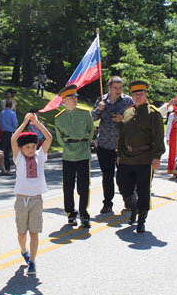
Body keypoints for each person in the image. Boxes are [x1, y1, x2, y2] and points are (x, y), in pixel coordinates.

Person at [116, 80, 164, 233]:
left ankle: (141, 219)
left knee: (144, 190)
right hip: (127, 157)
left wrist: (156, 157)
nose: (137, 96)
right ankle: (133, 207)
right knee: (123, 186)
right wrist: (119, 154)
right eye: (135, 94)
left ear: (145, 94)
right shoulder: (128, 111)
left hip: (145, 158)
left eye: (140, 93)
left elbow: (158, 137)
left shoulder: (153, 113)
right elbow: (122, 135)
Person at [10, 113, 52, 275]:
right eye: (27, 147)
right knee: (22, 232)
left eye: (33, 146)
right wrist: (25, 121)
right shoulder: (18, 158)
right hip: (21, 199)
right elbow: (13, 139)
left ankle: (33, 262)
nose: (31, 149)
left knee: (34, 231)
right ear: (21, 148)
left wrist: (36, 122)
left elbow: (48, 138)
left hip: (36, 200)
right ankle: (23, 250)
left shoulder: (40, 156)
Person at [91, 76, 134, 213]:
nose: (118, 90)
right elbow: (92, 118)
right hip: (104, 145)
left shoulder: (128, 101)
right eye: (115, 88)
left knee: (123, 176)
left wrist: (123, 119)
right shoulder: (102, 100)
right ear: (109, 87)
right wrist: (99, 109)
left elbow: (136, 119)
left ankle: (128, 200)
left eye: (120, 88)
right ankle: (107, 203)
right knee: (107, 176)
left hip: (122, 146)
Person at [55, 84, 95, 227]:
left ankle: (84, 213)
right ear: (64, 100)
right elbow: (60, 138)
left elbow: (91, 132)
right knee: (68, 186)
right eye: (71, 98)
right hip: (68, 155)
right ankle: (71, 213)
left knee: (84, 186)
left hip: (83, 153)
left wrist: (84, 144)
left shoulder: (85, 114)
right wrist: (69, 147)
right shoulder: (59, 118)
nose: (74, 100)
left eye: (75, 97)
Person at [0, 100, 18, 174]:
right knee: (15, 151)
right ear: (11, 106)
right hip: (11, 133)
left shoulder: (2, 113)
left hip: (4, 133)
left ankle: (7, 169)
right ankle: (17, 167)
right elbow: (15, 124)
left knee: (6, 152)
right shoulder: (13, 113)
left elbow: (0, 123)